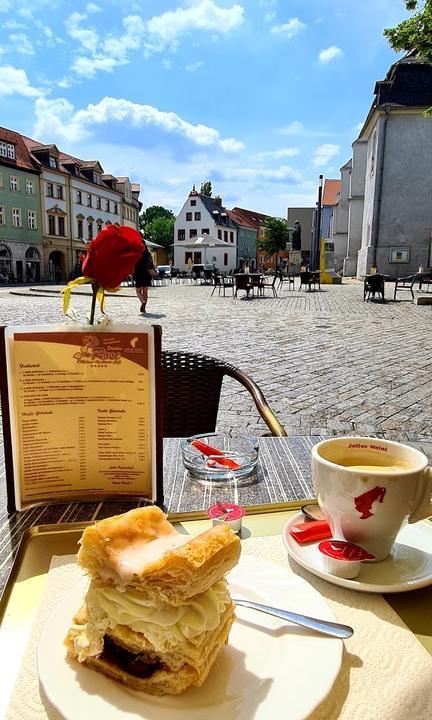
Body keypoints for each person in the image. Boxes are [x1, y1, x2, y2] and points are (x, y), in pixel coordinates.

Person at [134, 241, 156, 314]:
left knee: (138, 291)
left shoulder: (136, 254)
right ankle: (144, 307)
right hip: (147, 274)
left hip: (138, 273)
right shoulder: (148, 254)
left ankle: (142, 301)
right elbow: (152, 265)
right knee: (145, 291)